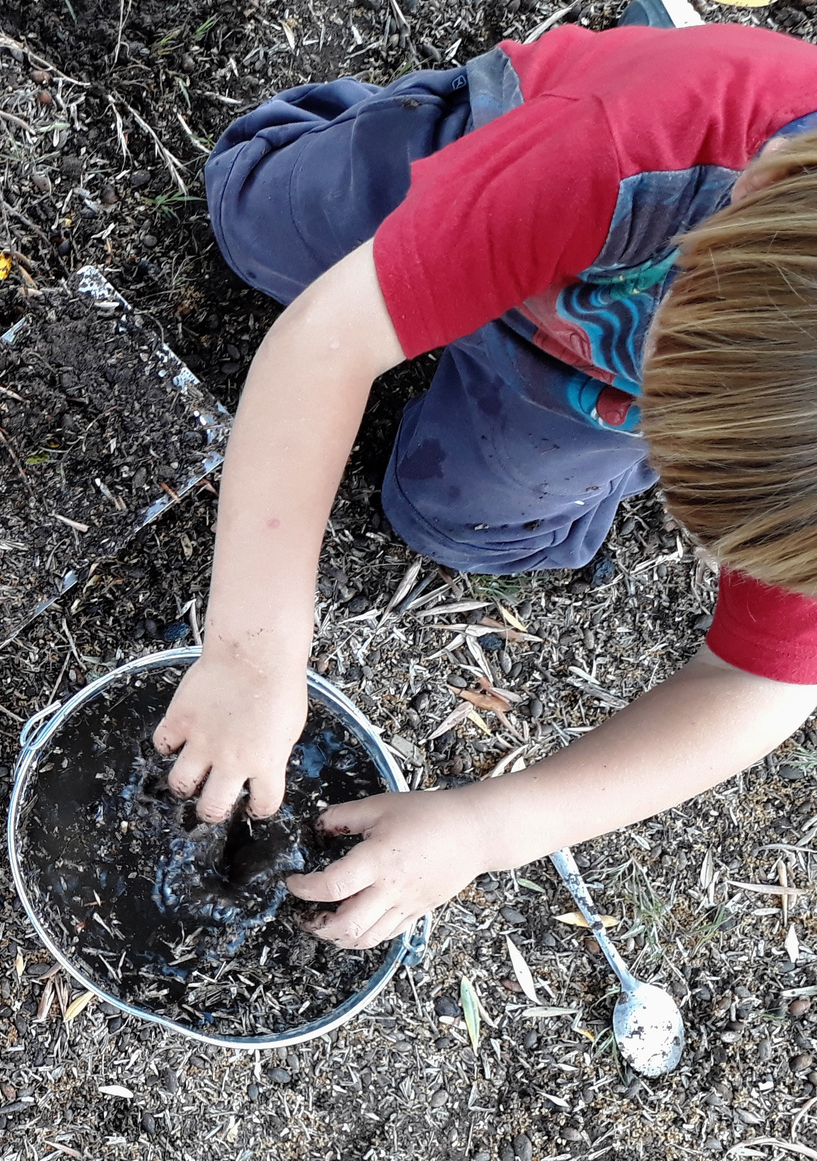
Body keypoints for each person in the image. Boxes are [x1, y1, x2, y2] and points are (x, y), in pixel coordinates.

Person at [156, 16, 817, 949]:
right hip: (508, 177)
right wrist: (252, 656)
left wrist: (489, 827)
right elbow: (325, 340)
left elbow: (764, 683)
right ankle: (398, 180)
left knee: (453, 527)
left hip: (589, 377)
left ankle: (574, 438)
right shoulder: (634, 145)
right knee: (249, 213)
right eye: (679, 436)